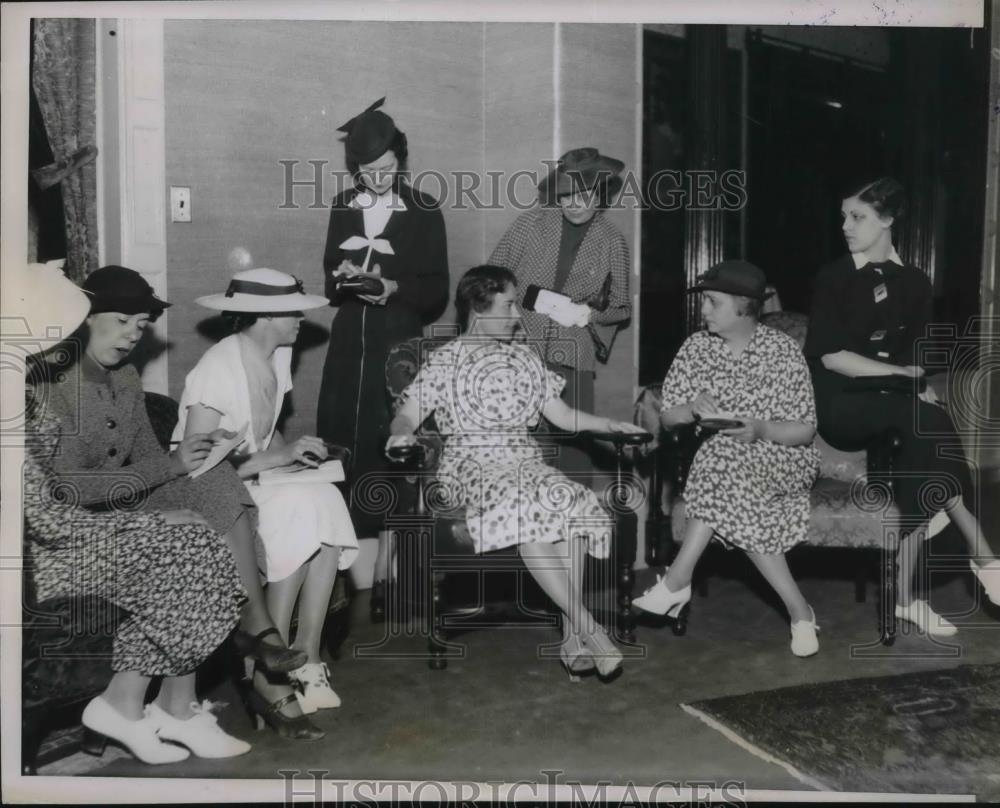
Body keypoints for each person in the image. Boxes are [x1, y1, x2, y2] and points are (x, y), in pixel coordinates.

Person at [17, 261, 249, 763]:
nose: (131, 336)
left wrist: (173, 478)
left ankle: (170, 708)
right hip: (46, 558)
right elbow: (54, 507)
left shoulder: (117, 379)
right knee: (186, 547)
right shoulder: (31, 393)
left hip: (87, 533)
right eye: (121, 320)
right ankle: (142, 708)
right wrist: (151, 515)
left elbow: (146, 460)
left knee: (199, 536)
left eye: (140, 325)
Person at [386, 265, 647, 680]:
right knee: (526, 507)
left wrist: (610, 425)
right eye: (508, 304)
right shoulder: (445, 361)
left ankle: (569, 638)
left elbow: (562, 417)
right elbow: (407, 415)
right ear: (478, 307)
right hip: (472, 464)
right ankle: (588, 628)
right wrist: (400, 436)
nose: (516, 315)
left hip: (523, 461)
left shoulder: (524, 357)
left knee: (572, 501)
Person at [804, 177, 1000, 636]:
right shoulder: (833, 277)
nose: (846, 226)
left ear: (887, 220)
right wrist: (904, 380)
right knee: (924, 419)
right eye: (844, 217)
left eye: (859, 217)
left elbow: (918, 353)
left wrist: (912, 382)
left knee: (926, 443)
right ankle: (984, 555)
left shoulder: (914, 281)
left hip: (896, 403)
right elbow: (833, 357)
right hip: (840, 405)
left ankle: (909, 598)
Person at [178, 267, 359, 736]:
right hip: (206, 491)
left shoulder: (279, 353)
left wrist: (293, 458)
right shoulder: (216, 368)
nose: (301, 318)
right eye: (293, 311)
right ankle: (267, 669)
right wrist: (278, 458)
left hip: (249, 480)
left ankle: (308, 656)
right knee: (300, 509)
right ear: (264, 316)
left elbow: (265, 431)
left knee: (323, 497)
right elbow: (196, 466)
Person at [634, 261, 823, 657]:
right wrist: (691, 409)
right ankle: (800, 612)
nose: (703, 310)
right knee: (724, 454)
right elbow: (669, 418)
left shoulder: (782, 350)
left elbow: (804, 429)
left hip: (783, 457)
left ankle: (676, 582)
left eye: (711, 302)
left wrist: (761, 429)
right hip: (725, 468)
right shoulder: (696, 348)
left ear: (743, 306)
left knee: (721, 455)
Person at [318, 97, 449, 621]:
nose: (377, 179)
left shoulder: (424, 208)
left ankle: (397, 581)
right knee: (348, 450)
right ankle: (358, 587)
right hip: (351, 342)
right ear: (355, 169)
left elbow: (437, 290)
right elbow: (328, 276)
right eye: (368, 172)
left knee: (396, 452)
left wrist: (393, 287)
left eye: (388, 168)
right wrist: (344, 278)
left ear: (401, 159)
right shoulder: (341, 206)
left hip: (399, 343)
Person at [488, 147, 631, 482]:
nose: (575, 204)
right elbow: (491, 279)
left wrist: (588, 315)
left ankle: (572, 529)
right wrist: (506, 326)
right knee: (522, 452)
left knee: (573, 456)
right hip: (521, 350)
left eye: (584, 195)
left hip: (573, 358)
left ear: (601, 195)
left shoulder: (613, 241)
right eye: (567, 195)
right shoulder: (530, 224)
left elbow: (622, 307)